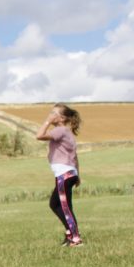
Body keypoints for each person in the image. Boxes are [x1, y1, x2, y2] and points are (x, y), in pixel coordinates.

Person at [36, 104, 83, 247]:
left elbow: (39, 136)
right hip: (69, 173)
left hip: (64, 174)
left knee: (63, 207)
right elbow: (75, 156)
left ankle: (75, 238)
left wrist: (47, 121)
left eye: (53, 113)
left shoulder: (60, 130)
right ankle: (70, 234)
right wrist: (78, 175)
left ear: (61, 118)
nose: (50, 114)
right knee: (56, 204)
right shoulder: (66, 132)